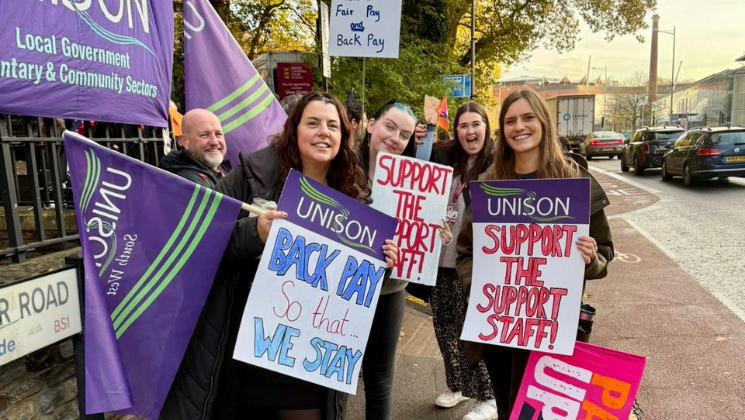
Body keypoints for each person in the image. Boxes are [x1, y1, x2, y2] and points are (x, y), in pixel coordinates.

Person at [160, 92, 399, 420]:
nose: (323, 132)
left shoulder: (353, 196)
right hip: (246, 354)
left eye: (332, 125)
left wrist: (380, 263)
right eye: (312, 122)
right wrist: (253, 234)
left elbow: (351, 284)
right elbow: (199, 237)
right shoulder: (252, 174)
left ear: (344, 137)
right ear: (294, 129)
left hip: (309, 361)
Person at [455, 89, 614, 419]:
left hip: (552, 327)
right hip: (500, 326)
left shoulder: (574, 180)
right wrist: (481, 288)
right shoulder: (489, 182)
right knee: (508, 410)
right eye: (510, 120)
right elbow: (466, 251)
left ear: (543, 122)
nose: (519, 127)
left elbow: (605, 256)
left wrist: (590, 258)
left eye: (528, 117)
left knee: (543, 414)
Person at [357, 99, 439, 420]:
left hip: (391, 291)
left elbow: (421, 234)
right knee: (335, 374)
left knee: (380, 379)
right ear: (370, 124)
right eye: (389, 127)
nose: (395, 139)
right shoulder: (341, 169)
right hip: (345, 288)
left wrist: (434, 232)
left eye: (404, 135)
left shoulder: (414, 181)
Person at [429, 101, 497, 420]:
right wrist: (422, 136)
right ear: (455, 131)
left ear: (486, 127)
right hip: (439, 261)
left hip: (472, 263)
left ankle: (488, 396)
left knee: (474, 330)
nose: (469, 131)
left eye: (475, 124)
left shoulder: (496, 167)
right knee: (444, 327)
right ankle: (455, 386)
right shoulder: (444, 160)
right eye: (462, 126)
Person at [159, 109, 230, 189]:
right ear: (185, 141)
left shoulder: (223, 169)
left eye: (218, 134)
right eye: (204, 135)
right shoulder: (188, 182)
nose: (215, 142)